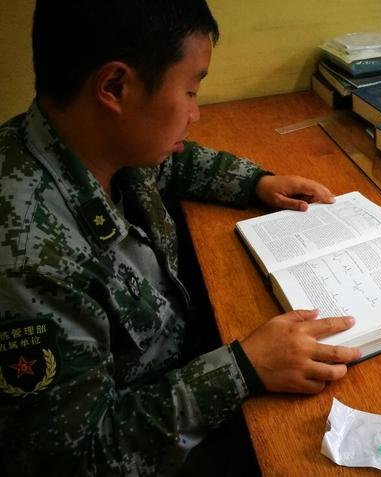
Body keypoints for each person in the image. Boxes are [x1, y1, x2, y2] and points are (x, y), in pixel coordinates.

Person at [0, 0, 361, 475]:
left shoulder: (96, 141)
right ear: (115, 87)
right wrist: (241, 370)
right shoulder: (29, 256)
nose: (195, 113)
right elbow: (79, 457)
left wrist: (255, 182)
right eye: (190, 90)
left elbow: (175, 162)